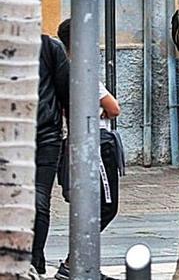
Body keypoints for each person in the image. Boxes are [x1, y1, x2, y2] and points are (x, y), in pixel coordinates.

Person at [52, 21, 124, 280]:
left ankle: (80, 264)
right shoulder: (85, 71)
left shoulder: (62, 70)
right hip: (96, 144)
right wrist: (100, 109)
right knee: (105, 206)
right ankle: (75, 263)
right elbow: (114, 108)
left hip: (74, 143)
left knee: (90, 207)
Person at [32, 36, 69, 276]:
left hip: (46, 135)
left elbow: (67, 94)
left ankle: (34, 260)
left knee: (38, 199)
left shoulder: (49, 48)